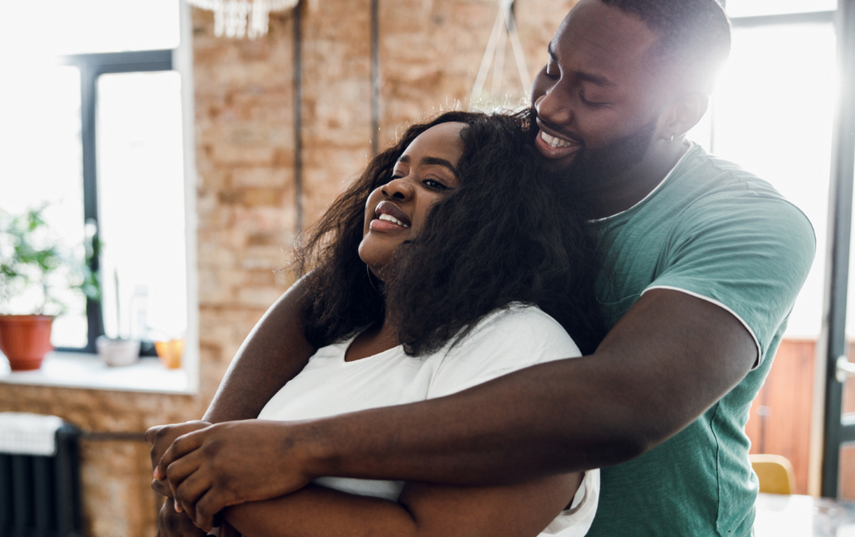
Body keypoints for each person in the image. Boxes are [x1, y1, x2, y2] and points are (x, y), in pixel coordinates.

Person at [150, 0, 816, 535]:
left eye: (592, 93)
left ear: (680, 112)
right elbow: (331, 286)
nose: (551, 107)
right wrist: (209, 452)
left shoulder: (749, 224)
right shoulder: (529, 159)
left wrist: (297, 448)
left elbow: (623, 403)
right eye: (552, 69)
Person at [150, 109, 606, 536]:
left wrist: (207, 485)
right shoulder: (337, 338)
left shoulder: (521, 343)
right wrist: (203, 476)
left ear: (500, 222)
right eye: (396, 174)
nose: (395, 190)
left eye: (434, 182)